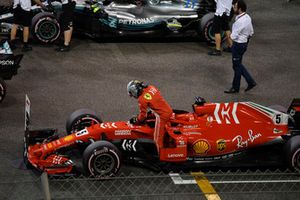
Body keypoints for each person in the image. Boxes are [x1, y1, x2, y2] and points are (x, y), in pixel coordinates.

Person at [127, 80, 173, 152]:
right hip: (168, 110)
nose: (133, 96)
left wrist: (136, 120)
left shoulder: (141, 99)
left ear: (134, 90)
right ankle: (169, 142)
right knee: (167, 131)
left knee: (157, 138)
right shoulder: (151, 87)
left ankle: (160, 156)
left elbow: (143, 116)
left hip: (162, 116)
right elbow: (156, 99)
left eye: (132, 94)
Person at [224, 0, 256, 93]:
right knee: (236, 65)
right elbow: (251, 32)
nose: (233, 8)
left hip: (238, 45)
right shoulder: (247, 17)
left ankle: (249, 82)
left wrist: (229, 35)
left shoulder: (240, 22)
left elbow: (233, 36)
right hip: (244, 44)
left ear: (240, 9)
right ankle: (236, 87)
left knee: (237, 65)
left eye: (235, 7)